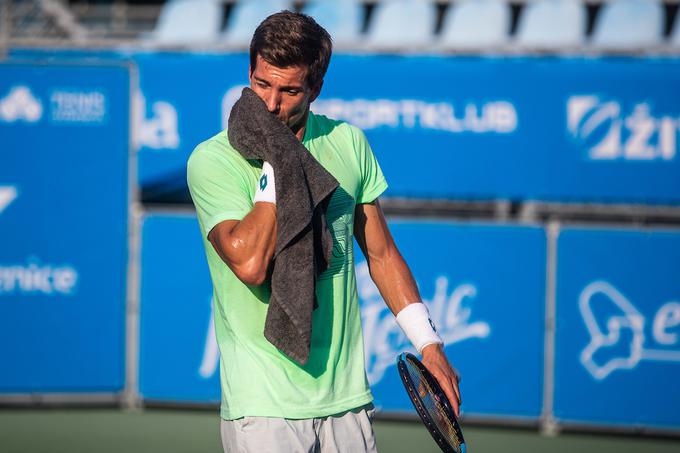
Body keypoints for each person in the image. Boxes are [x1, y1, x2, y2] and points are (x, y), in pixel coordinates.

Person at [186, 10, 461, 453]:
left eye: (289, 90)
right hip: (262, 407)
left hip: (347, 404)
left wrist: (429, 344)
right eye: (262, 84)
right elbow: (251, 264)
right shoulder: (212, 159)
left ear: (315, 88)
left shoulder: (349, 143)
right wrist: (281, 164)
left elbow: (383, 255)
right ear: (250, 73)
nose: (272, 104)